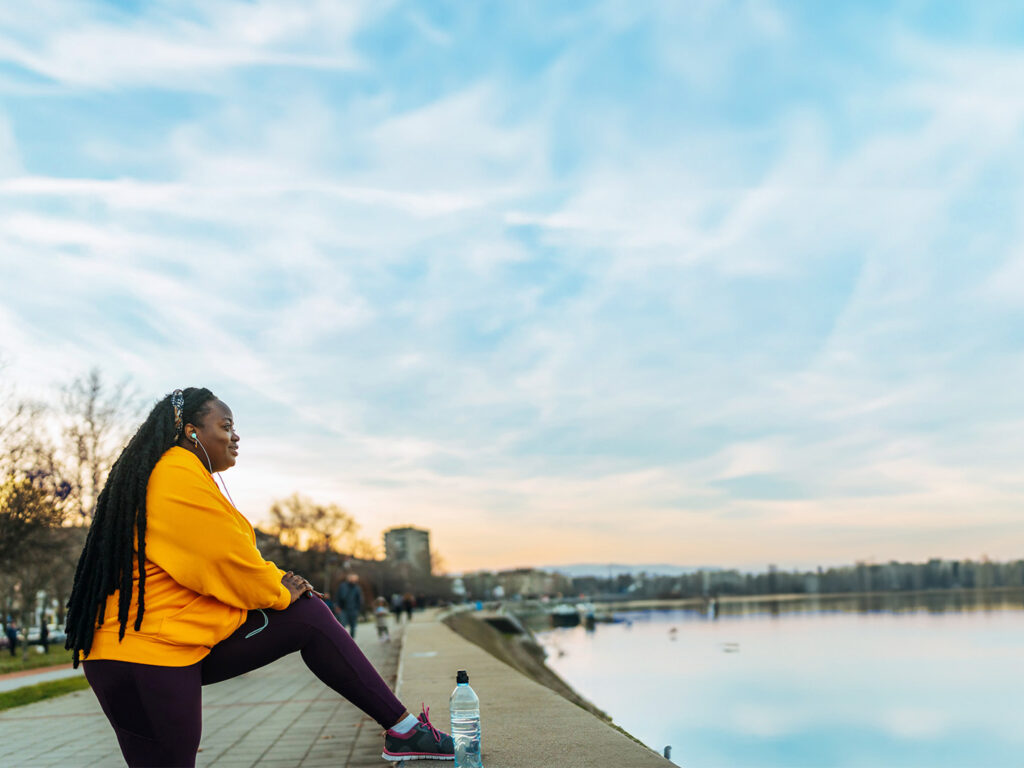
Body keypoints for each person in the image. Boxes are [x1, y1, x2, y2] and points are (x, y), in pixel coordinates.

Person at [64, 388, 453, 767]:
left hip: (114, 652)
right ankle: (404, 731)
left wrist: (275, 582)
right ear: (191, 431)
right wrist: (279, 589)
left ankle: (404, 731)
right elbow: (223, 560)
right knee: (309, 616)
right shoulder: (175, 472)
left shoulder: (155, 473)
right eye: (226, 425)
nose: (235, 436)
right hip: (154, 651)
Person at [334, 572, 364, 638]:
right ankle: (342, 640)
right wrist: (337, 606)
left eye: (355, 579)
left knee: (353, 627)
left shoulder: (357, 588)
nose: (353, 580)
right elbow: (337, 596)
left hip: (353, 610)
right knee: (342, 626)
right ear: (348, 578)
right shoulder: (342, 586)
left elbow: (360, 599)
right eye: (352, 578)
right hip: (343, 609)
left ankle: (352, 641)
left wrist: (357, 609)